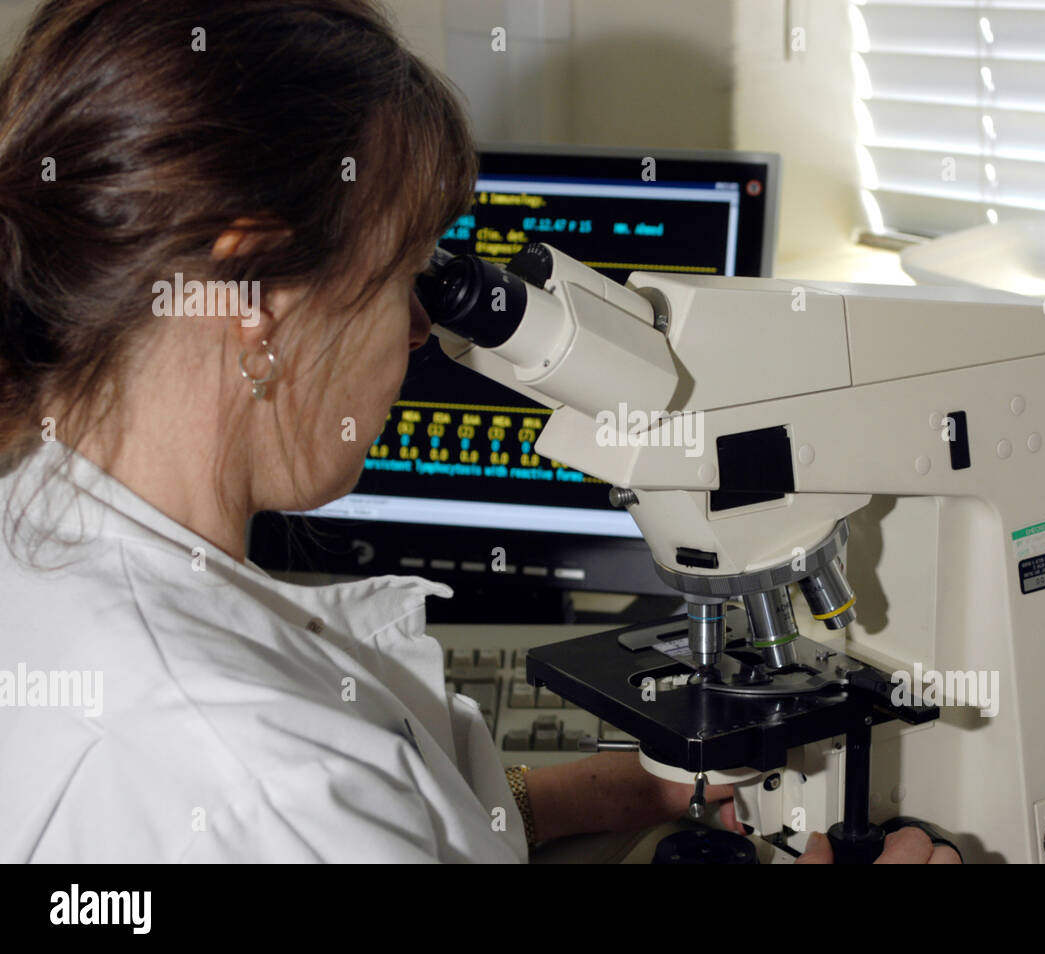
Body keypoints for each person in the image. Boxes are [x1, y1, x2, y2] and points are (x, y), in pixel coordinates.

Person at [0, 0, 958, 865]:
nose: (422, 330)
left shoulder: (41, 522)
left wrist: (605, 790)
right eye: (407, 273)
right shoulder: (263, 782)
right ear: (255, 296)